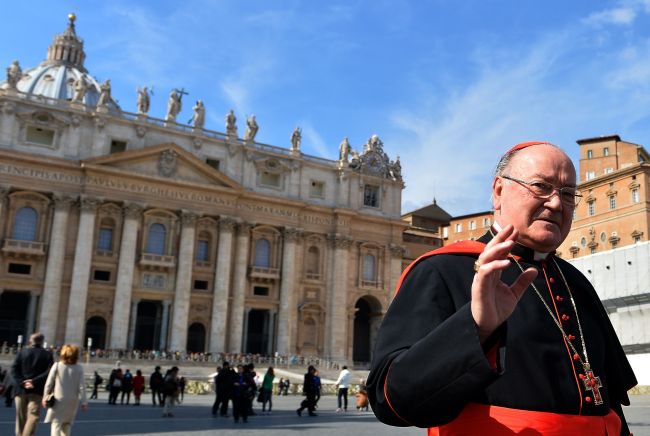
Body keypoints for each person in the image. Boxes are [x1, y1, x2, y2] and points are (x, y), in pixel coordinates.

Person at [367, 141, 637, 435]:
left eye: (568, 194)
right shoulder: (441, 269)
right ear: (499, 191)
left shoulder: (576, 282)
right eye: (540, 186)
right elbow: (390, 399)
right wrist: (476, 327)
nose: (557, 203)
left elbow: (610, 404)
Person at [11, 332, 54, 436]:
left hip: (20, 390)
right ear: (42, 342)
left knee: (20, 417)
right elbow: (49, 372)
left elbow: (14, 369)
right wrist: (33, 381)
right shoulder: (47, 354)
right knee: (33, 416)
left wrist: (22, 382)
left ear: (30, 341)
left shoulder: (22, 352)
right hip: (37, 390)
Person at [42, 344, 88, 436]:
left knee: (56, 423)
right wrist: (84, 402)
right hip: (72, 401)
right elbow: (82, 386)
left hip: (58, 399)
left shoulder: (57, 365)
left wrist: (45, 396)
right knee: (67, 424)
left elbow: (49, 383)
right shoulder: (79, 368)